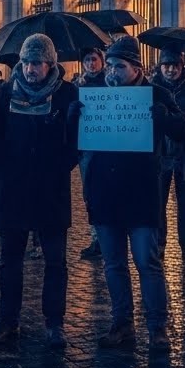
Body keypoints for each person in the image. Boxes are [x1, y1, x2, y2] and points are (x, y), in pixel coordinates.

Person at [80, 35, 185, 350]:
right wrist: (74, 120)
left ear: (136, 67)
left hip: (141, 191)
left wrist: (165, 118)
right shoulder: (94, 95)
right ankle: (122, 323)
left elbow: (184, 133)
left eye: (119, 66)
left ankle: (157, 327)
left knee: (147, 261)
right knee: (113, 263)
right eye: (109, 65)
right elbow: (79, 143)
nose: (111, 72)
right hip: (105, 189)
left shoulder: (157, 94)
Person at [0, 34, 79, 348]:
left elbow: (76, 143)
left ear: (51, 64)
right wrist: (8, 169)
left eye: (36, 63)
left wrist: (57, 166)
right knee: (10, 260)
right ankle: (8, 319)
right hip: (14, 188)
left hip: (51, 190)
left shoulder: (67, 94)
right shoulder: (6, 92)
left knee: (54, 261)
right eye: (26, 62)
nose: (30, 68)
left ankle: (55, 323)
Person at [150, 48, 185, 262]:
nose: (171, 70)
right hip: (161, 154)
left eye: (175, 66)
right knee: (158, 201)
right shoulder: (153, 89)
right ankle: (159, 243)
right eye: (166, 65)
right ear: (160, 67)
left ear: (182, 67)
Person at [74, 45, 108, 260]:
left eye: (94, 59)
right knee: (89, 192)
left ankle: (108, 236)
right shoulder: (77, 86)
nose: (91, 64)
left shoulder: (110, 83)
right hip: (87, 146)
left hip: (107, 144)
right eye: (87, 60)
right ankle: (96, 237)